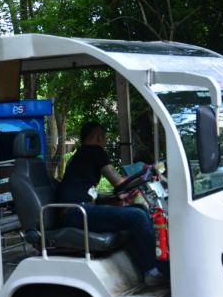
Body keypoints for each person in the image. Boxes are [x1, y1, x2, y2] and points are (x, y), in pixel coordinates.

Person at [56, 121, 168, 287]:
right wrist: (143, 174)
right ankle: (155, 270)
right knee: (137, 216)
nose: (106, 140)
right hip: (77, 212)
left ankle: (145, 266)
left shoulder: (80, 155)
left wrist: (115, 199)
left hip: (77, 209)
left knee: (138, 209)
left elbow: (87, 191)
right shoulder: (95, 151)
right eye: (105, 137)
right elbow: (118, 181)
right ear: (98, 136)